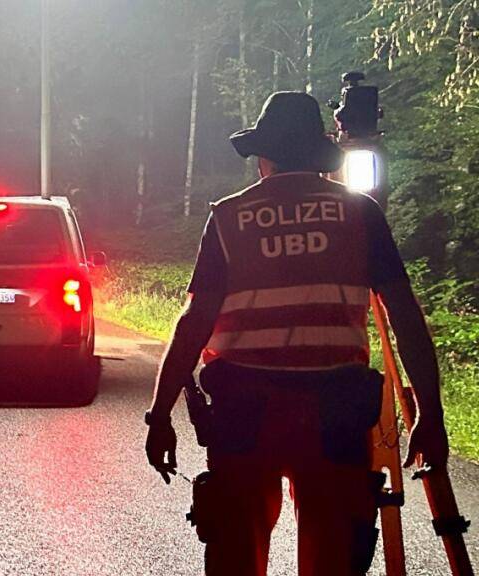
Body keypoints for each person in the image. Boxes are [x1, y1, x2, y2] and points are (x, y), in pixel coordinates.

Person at [143, 92, 449, 576]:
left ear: (264, 156)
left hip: (244, 413)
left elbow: (194, 320)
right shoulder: (360, 213)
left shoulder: (229, 216)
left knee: (236, 554)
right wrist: (430, 413)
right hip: (335, 412)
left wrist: (159, 416)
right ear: (320, 157)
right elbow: (404, 316)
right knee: (332, 557)